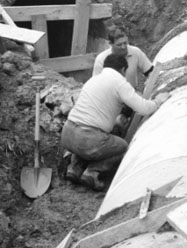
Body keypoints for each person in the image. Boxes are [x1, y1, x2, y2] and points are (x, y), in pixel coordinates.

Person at [60, 53, 167, 190]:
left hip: (68, 134)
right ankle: (92, 172)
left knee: (88, 137)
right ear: (123, 69)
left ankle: (74, 169)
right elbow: (143, 108)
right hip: (88, 139)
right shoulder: (119, 82)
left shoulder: (93, 80)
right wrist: (158, 101)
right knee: (121, 147)